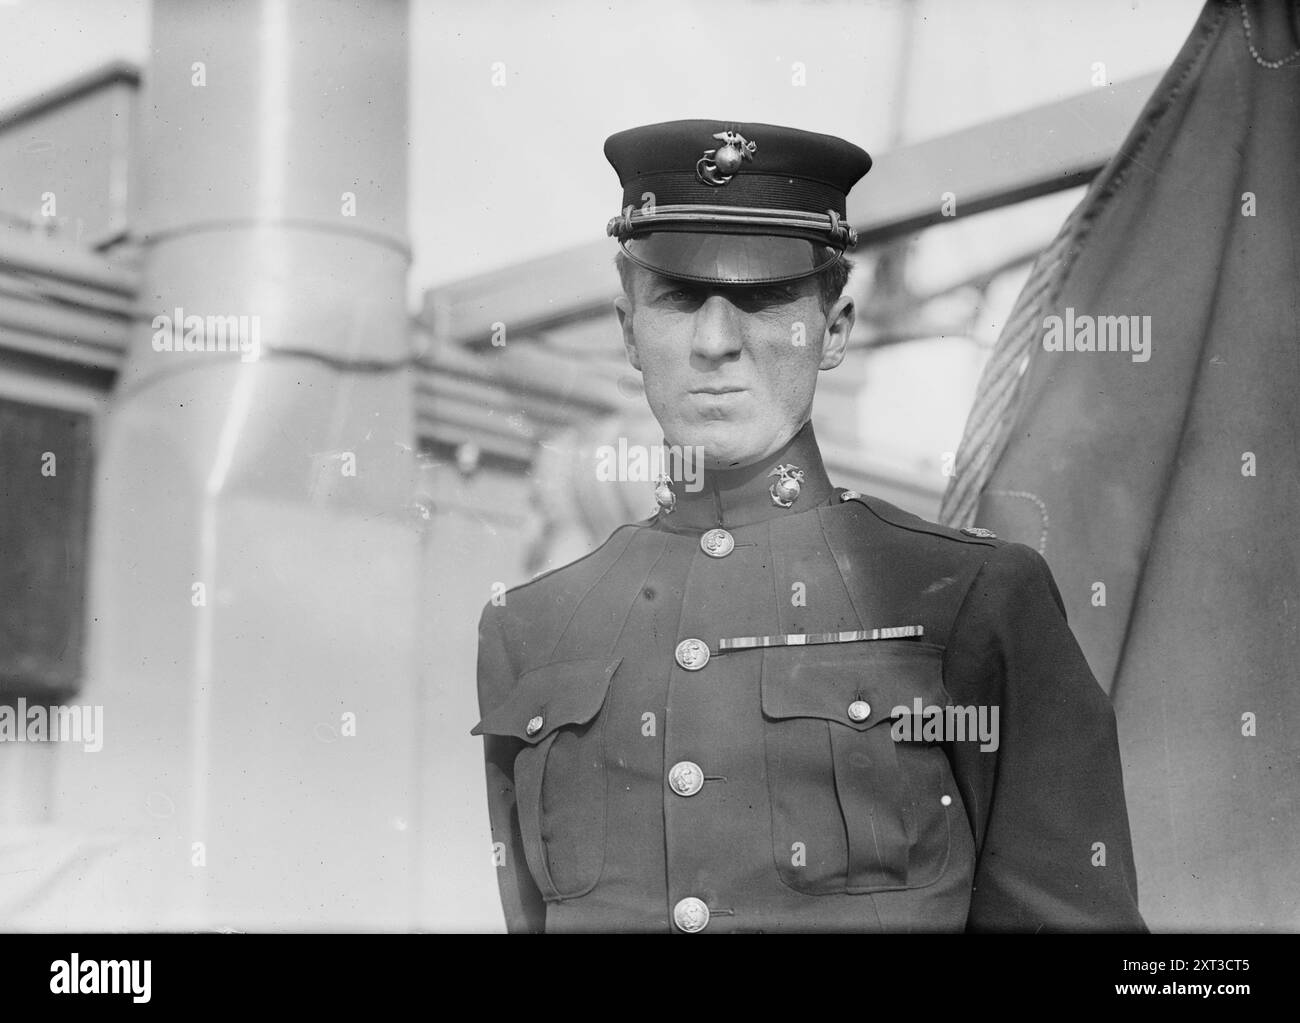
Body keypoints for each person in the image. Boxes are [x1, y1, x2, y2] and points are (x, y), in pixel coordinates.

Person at [472, 119, 1145, 933]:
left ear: (836, 329)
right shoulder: (529, 630)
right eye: (680, 298)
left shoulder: (972, 600)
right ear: (628, 330)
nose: (716, 342)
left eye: (761, 298)